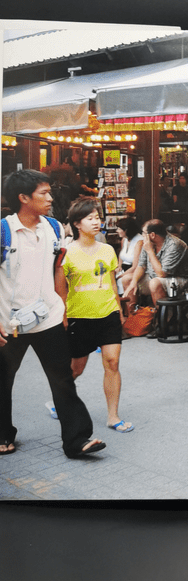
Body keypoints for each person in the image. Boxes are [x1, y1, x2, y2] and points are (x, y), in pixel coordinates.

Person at [0, 170, 105, 458]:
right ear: (23, 198)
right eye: (43, 193)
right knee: (2, 381)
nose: (50, 198)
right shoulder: (3, 231)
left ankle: (77, 440)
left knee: (62, 379)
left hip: (48, 318)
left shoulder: (55, 228)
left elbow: (59, 266)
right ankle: (3, 434)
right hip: (10, 323)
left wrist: (62, 306)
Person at [62, 198, 132, 433]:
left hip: (108, 314)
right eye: (90, 218)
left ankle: (113, 416)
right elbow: (60, 290)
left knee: (112, 362)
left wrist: (119, 310)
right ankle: (57, 397)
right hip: (79, 317)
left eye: (97, 217)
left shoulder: (107, 249)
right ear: (77, 224)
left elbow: (113, 283)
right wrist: (62, 316)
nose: (96, 222)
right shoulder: (67, 253)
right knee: (76, 369)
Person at [121, 219, 188, 307]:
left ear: (152, 235)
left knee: (155, 283)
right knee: (127, 279)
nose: (142, 235)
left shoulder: (174, 245)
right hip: (155, 277)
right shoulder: (148, 243)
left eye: (143, 233)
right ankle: (133, 317)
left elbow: (162, 274)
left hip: (183, 281)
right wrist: (134, 282)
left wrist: (150, 251)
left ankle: (161, 318)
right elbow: (141, 265)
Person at [115, 216, 144, 304]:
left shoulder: (139, 242)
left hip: (134, 270)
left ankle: (129, 308)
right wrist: (119, 266)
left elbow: (135, 266)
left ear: (126, 230)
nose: (117, 231)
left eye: (119, 229)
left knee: (120, 280)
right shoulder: (124, 239)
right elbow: (121, 255)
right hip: (123, 268)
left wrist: (119, 276)